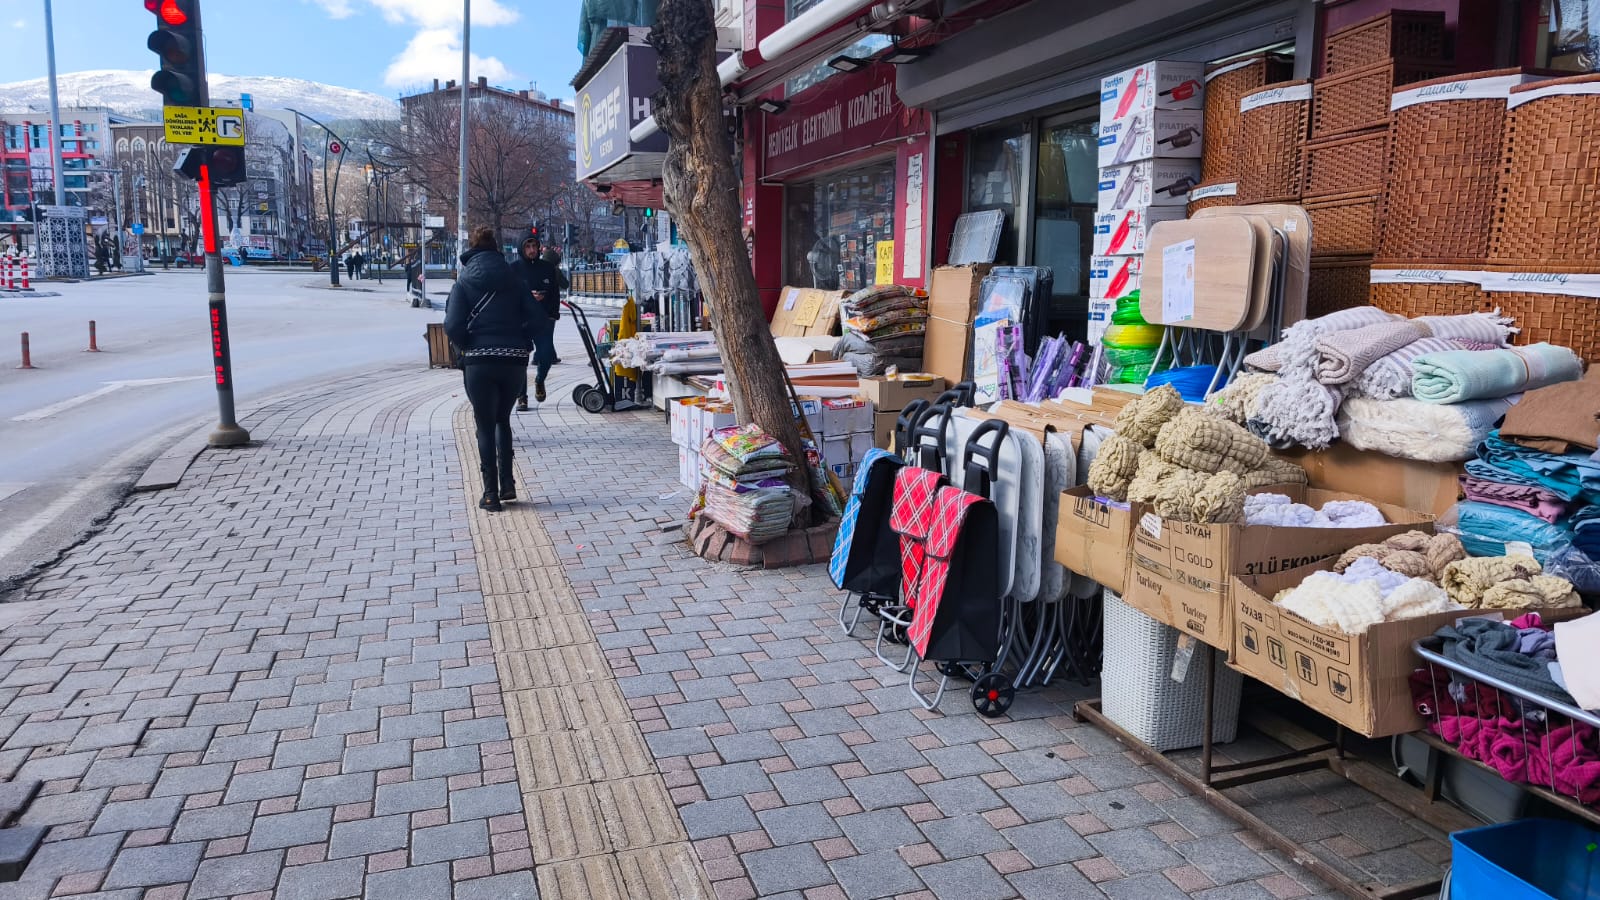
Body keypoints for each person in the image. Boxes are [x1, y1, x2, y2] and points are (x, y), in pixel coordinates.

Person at [444, 226, 541, 512]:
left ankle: (490, 495)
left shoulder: (463, 283)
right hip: (512, 361)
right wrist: (523, 342)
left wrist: (466, 348)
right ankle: (508, 483)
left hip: (479, 362)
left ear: (471, 250)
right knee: (503, 420)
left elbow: (451, 325)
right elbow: (537, 319)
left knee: (484, 424)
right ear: (496, 248)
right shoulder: (515, 279)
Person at [512, 235, 562, 410]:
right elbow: (509, 296)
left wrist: (553, 313)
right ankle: (521, 396)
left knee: (546, 355)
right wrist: (527, 297)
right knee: (521, 359)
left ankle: (540, 380)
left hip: (543, 319)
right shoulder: (514, 269)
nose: (532, 250)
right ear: (521, 249)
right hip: (521, 321)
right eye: (528, 247)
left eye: (534, 246)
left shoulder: (547, 268)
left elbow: (555, 292)